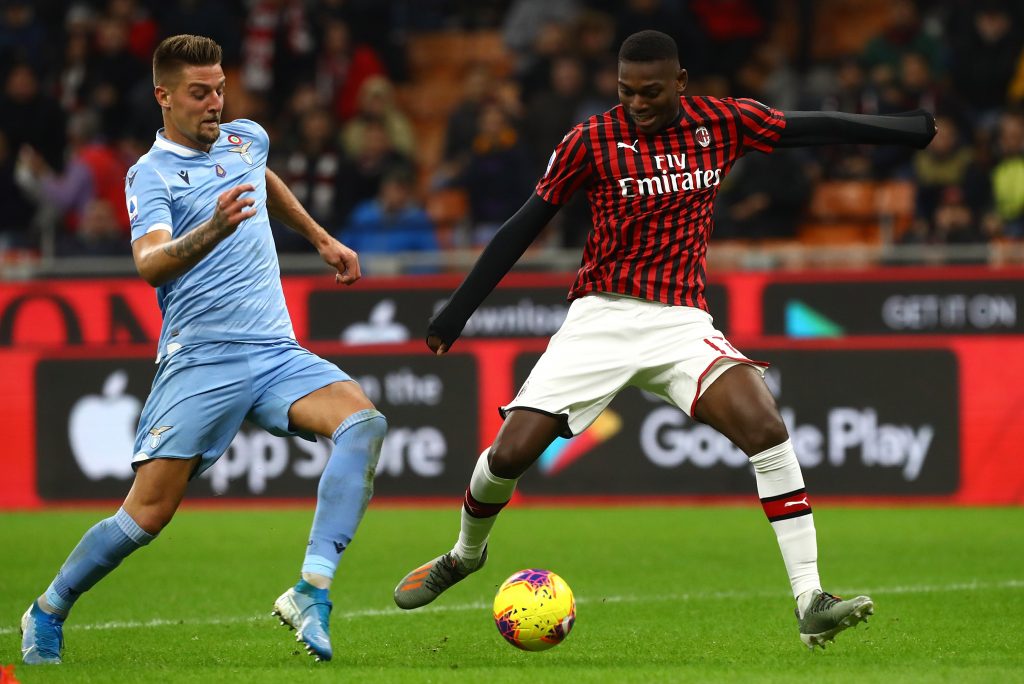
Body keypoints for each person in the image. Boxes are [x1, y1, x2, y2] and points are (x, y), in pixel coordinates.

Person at [393, 30, 935, 650]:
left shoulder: (721, 123)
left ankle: (811, 599)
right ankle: (465, 555)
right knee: (511, 454)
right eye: (626, 92)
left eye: (651, 92)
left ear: (680, 83)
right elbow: (523, 225)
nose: (638, 104)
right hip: (600, 316)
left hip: (680, 321)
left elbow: (812, 127)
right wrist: (456, 312)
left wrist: (905, 127)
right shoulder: (590, 140)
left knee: (766, 427)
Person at [19, 34, 387, 665]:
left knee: (363, 423)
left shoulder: (246, 137)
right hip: (201, 359)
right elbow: (149, 263)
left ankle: (311, 591)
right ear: (164, 97)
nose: (215, 102)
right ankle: (48, 607)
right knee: (146, 516)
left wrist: (321, 239)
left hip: (274, 350)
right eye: (199, 93)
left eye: (220, 88)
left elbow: (260, 179)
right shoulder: (150, 174)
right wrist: (213, 227)